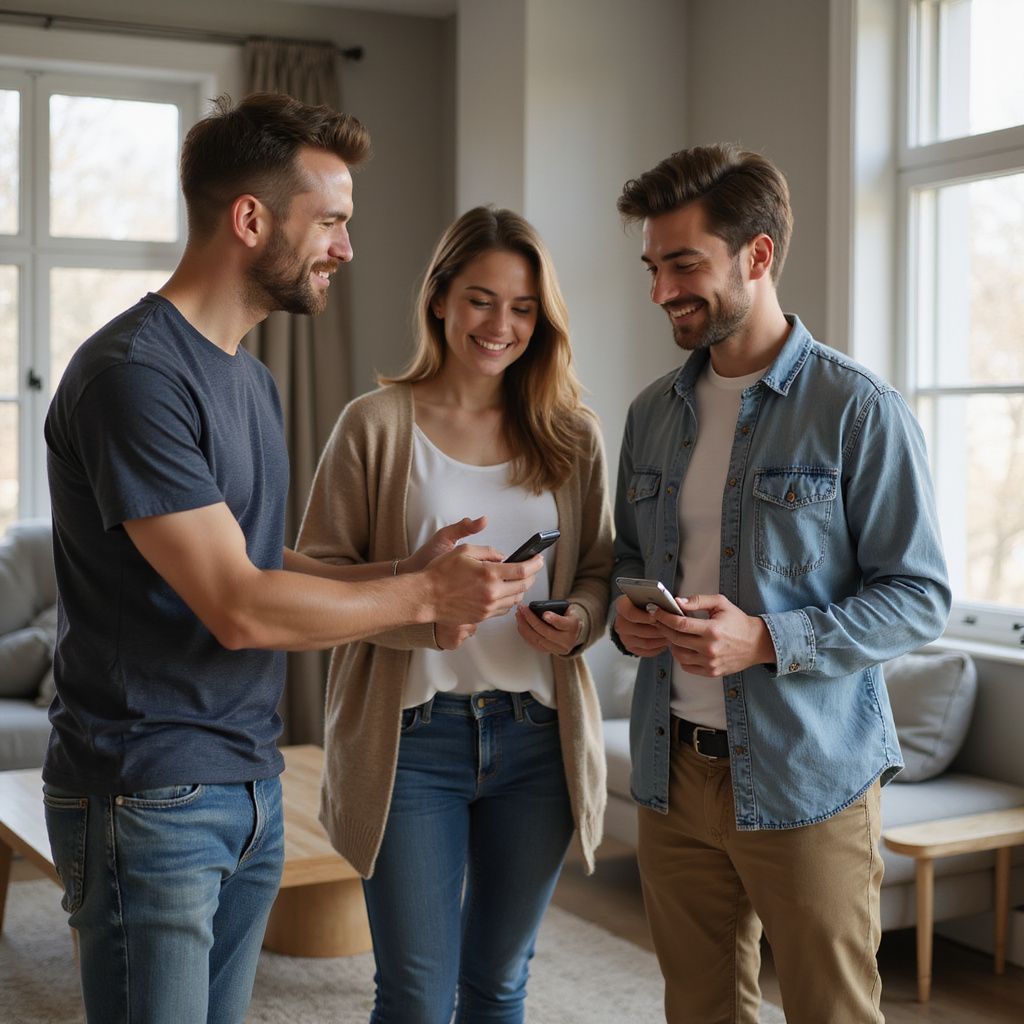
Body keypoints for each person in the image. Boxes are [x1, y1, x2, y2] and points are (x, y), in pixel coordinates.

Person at [41, 94, 542, 1024]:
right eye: (333, 222)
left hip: (246, 779)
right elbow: (240, 606)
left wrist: (399, 570)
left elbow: (257, 557)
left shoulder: (248, 376)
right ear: (249, 219)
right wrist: (419, 595)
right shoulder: (134, 376)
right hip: (147, 791)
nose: (346, 249)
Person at [609, 144, 950, 1024]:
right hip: (671, 771)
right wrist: (626, 616)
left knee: (831, 1012)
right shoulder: (652, 413)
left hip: (811, 778)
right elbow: (628, 562)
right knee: (699, 1009)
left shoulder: (858, 409)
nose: (660, 292)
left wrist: (766, 639)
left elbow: (918, 594)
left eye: (683, 265)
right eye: (653, 268)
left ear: (756, 257)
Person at [296, 205, 613, 1024]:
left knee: (500, 985)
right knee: (414, 994)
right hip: (413, 740)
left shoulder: (572, 436)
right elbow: (311, 581)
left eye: (522, 307)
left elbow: (603, 570)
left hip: (539, 738)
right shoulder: (373, 426)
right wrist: (421, 595)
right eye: (480, 299)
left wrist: (577, 619)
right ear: (440, 299)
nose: (499, 325)